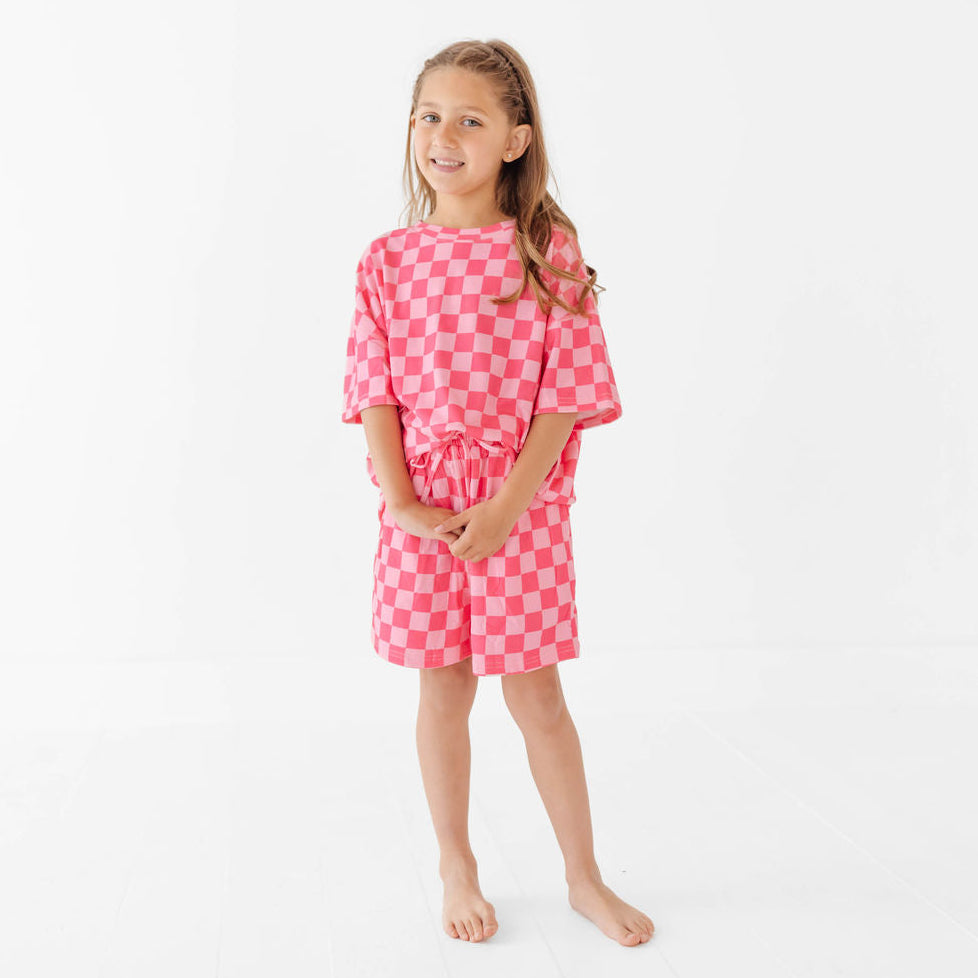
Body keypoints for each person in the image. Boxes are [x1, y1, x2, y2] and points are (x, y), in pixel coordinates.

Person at [341, 38, 655, 948]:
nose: (445, 135)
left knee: (536, 695)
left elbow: (568, 388)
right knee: (444, 687)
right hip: (426, 513)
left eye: (471, 119)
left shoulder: (544, 249)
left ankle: (583, 876)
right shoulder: (388, 260)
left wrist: (513, 501)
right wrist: (401, 501)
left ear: (516, 139)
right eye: (430, 116)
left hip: (521, 509)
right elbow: (373, 389)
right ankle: (456, 862)